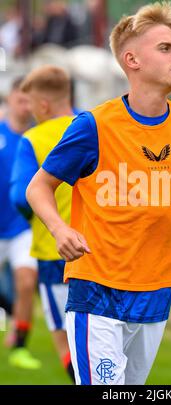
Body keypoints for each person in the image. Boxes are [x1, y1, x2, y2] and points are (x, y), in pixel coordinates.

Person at [26, 1, 171, 385]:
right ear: (132, 60)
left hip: (156, 291)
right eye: (165, 48)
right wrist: (60, 230)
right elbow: (38, 188)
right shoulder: (94, 125)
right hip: (96, 290)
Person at [10, 66, 75, 382]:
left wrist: (32, 219)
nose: (31, 112)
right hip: (100, 251)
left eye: (32, 104)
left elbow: (22, 196)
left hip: (54, 252)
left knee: (64, 336)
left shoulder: (33, 139)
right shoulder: (94, 128)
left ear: (44, 106)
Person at [0, 78, 40, 369]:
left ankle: (20, 346)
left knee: (26, 282)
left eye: (30, 100)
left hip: (23, 226)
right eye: (20, 99)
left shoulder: (37, 138)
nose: (25, 106)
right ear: (11, 98)